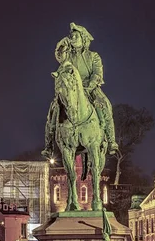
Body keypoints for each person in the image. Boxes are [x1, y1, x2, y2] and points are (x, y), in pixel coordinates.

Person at [42, 22, 119, 158]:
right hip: (70, 89)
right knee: (54, 109)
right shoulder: (68, 56)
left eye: (76, 35)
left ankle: (111, 141)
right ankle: (49, 146)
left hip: (90, 88)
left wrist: (88, 88)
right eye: (71, 35)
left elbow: (97, 74)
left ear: (83, 38)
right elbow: (59, 56)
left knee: (105, 104)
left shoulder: (93, 56)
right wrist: (61, 44)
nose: (73, 38)